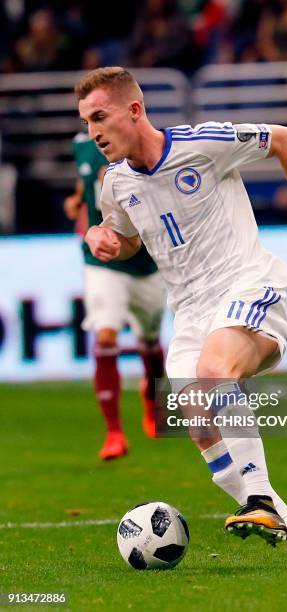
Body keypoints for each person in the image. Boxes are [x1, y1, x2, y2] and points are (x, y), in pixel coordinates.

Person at [76, 66, 287, 570]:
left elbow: (285, 140)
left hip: (247, 285)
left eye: (100, 117)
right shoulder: (114, 183)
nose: (93, 133)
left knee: (213, 375)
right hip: (192, 311)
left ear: (134, 111)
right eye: (87, 122)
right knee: (198, 423)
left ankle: (258, 498)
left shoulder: (202, 144)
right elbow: (125, 236)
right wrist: (100, 238)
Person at [64, 132, 166, 459]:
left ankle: (152, 402)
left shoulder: (147, 145)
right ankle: (114, 433)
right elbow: (85, 185)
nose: (95, 126)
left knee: (150, 342)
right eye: (88, 117)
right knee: (105, 336)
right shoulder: (83, 146)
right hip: (102, 261)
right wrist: (77, 202)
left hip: (147, 263)